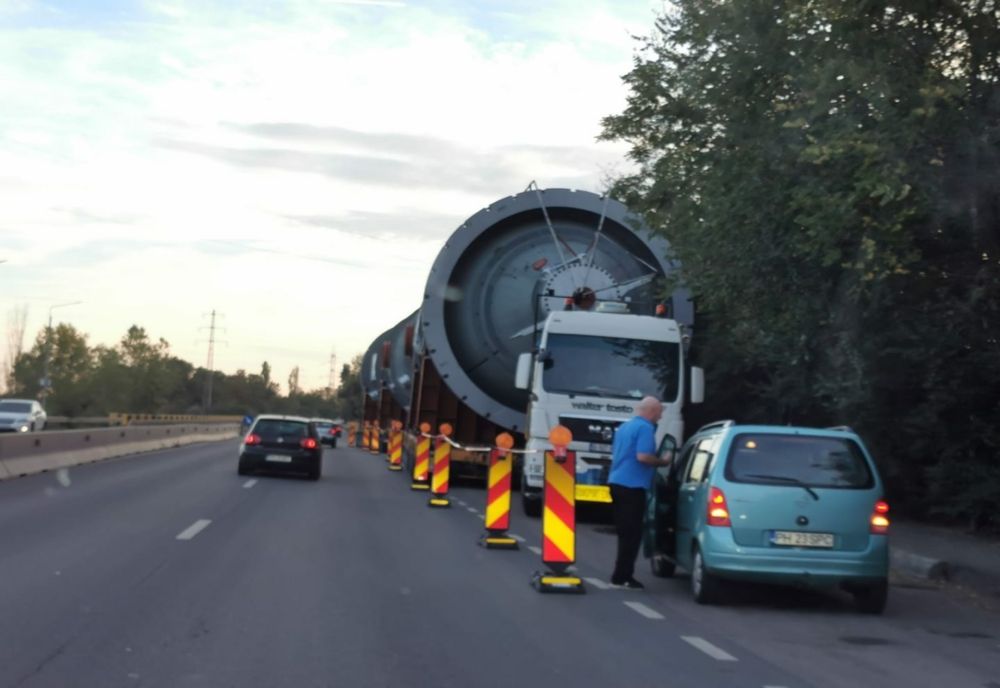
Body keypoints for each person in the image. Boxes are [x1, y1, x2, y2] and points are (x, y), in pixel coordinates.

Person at [608, 396, 672, 589]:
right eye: (659, 412)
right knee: (632, 534)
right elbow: (643, 457)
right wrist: (663, 461)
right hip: (632, 485)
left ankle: (621, 574)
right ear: (651, 411)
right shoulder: (645, 428)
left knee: (624, 532)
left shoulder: (625, 427)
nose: (660, 417)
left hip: (616, 481)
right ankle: (622, 576)